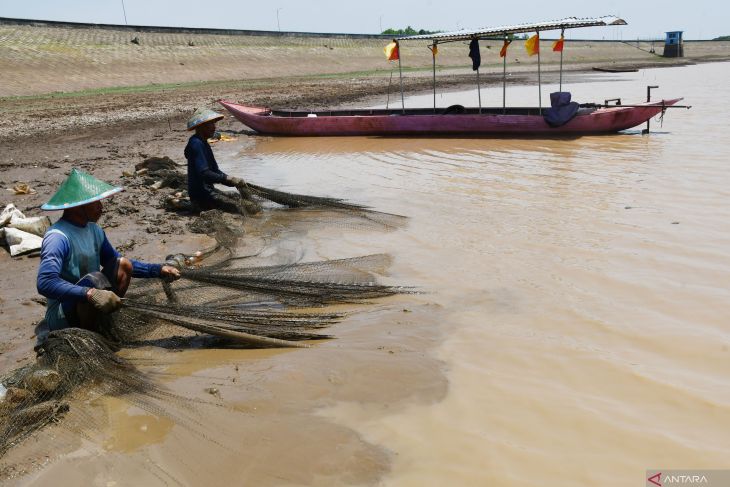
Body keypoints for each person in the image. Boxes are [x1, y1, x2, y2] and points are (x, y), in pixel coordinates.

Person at [36, 169, 181, 338]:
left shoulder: (94, 230)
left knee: (123, 264)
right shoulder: (58, 238)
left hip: (91, 298)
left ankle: (103, 323)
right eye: (95, 202)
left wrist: (157, 270)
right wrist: (89, 293)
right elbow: (45, 282)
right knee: (94, 281)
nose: (101, 208)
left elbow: (114, 261)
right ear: (78, 206)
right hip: (64, 314)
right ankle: (90, 336)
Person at [184, 107, 261, 215]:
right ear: (201, 126)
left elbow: (215, 170)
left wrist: (231, 180)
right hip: (201, 195)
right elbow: (205, 173)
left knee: (235, 196)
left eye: (214, 123)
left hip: (208, 190)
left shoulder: (204, 143)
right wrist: (226, 179)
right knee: (238, 208)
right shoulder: (196, 144)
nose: (214, 127)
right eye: (211, 124)